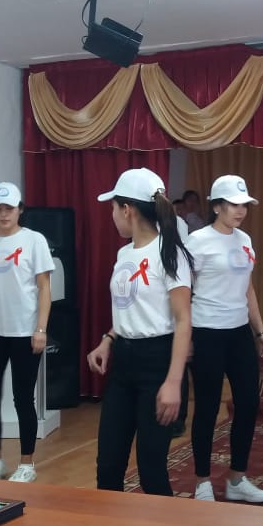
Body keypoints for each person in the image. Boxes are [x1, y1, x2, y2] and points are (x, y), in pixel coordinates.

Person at [88, 168, 193, 496]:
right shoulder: (124, 254)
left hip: (158, 363)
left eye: (112, 208)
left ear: (127, 210)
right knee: (108, 466)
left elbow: (182, 320)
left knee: (151, 469)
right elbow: (130, 309)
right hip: (123, 364)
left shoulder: (170, 252)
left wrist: (173, 383)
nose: (111, 216)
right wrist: (108, 339)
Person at [186, 175, 263, 502]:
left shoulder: (245, 240)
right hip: (206, 331)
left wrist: (259, 330)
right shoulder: (198, 241)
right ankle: (202, 482)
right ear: (217, 206)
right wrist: (186, 337)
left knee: (248, 403)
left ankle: (236, 479)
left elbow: (247, 287)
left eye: (244, 205)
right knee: (207, 408)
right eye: (234, 205)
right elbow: (182, 290)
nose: (240, 211)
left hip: (239, 333)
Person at [0, 181, 54, 482]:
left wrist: (41, 328)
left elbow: (44, 288)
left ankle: (26, 463)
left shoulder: (34, 241)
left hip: (25, 331)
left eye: (9, 208)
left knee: (23, 398)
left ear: (20, 210)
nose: (4, 214)